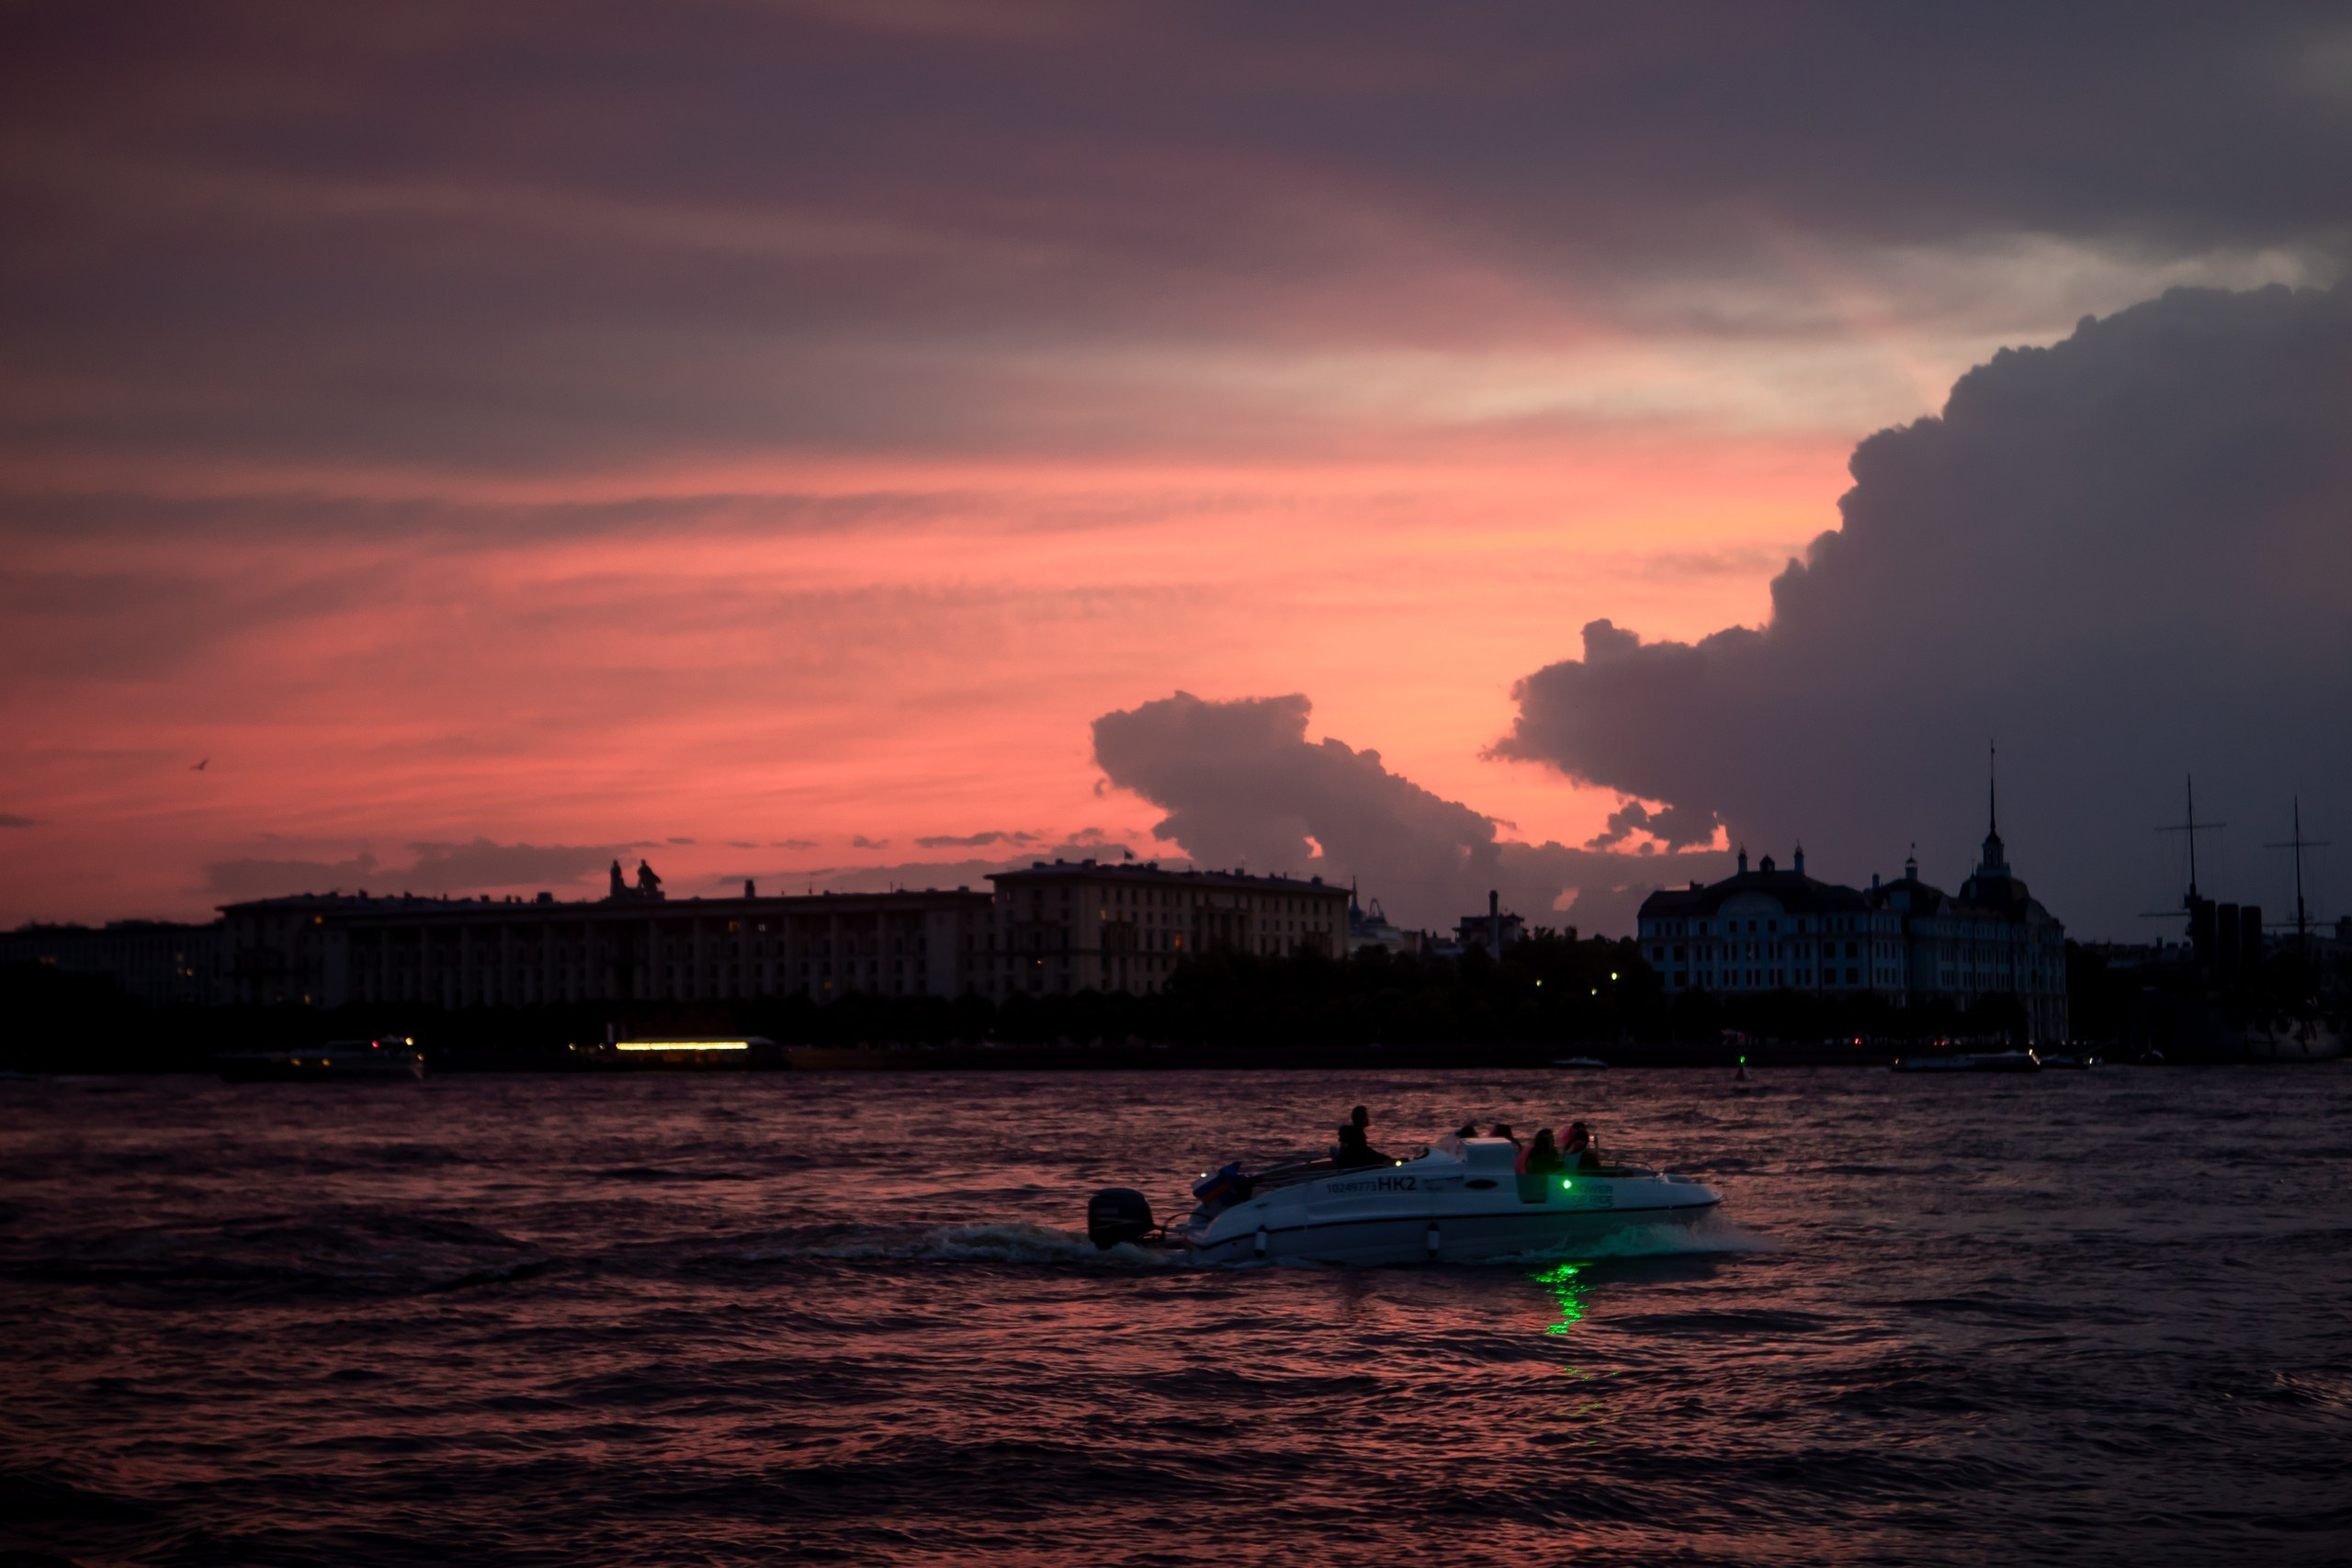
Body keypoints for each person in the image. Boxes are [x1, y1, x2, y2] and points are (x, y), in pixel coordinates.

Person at [1333, 1104, 1386, 1169]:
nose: (1368, 1119)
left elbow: (1365, 1151)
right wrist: (1384, 1159)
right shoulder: (1357, 1134)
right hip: (1356, 1168)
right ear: (1363, 1119)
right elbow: (1363, 1152)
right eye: (1366, 1116)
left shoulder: (1354, 1133)